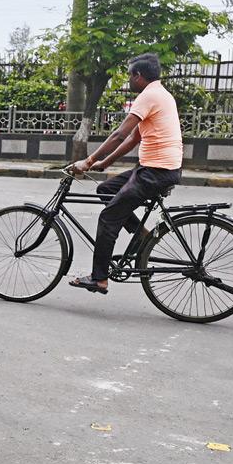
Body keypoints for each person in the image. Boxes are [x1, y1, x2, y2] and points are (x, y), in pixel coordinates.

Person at [66, 53, 183, 295]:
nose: (128, 79)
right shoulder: (161, 94)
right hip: (156, 168)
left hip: (156, 171)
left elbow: (119, 134)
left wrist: (87, 161)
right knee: (105, 189)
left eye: (130, 75)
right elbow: (134, 138)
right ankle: (141, 235)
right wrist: (104, 163)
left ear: (138, 76)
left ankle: (99, 279)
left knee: (109, 219)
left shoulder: (148, 95)